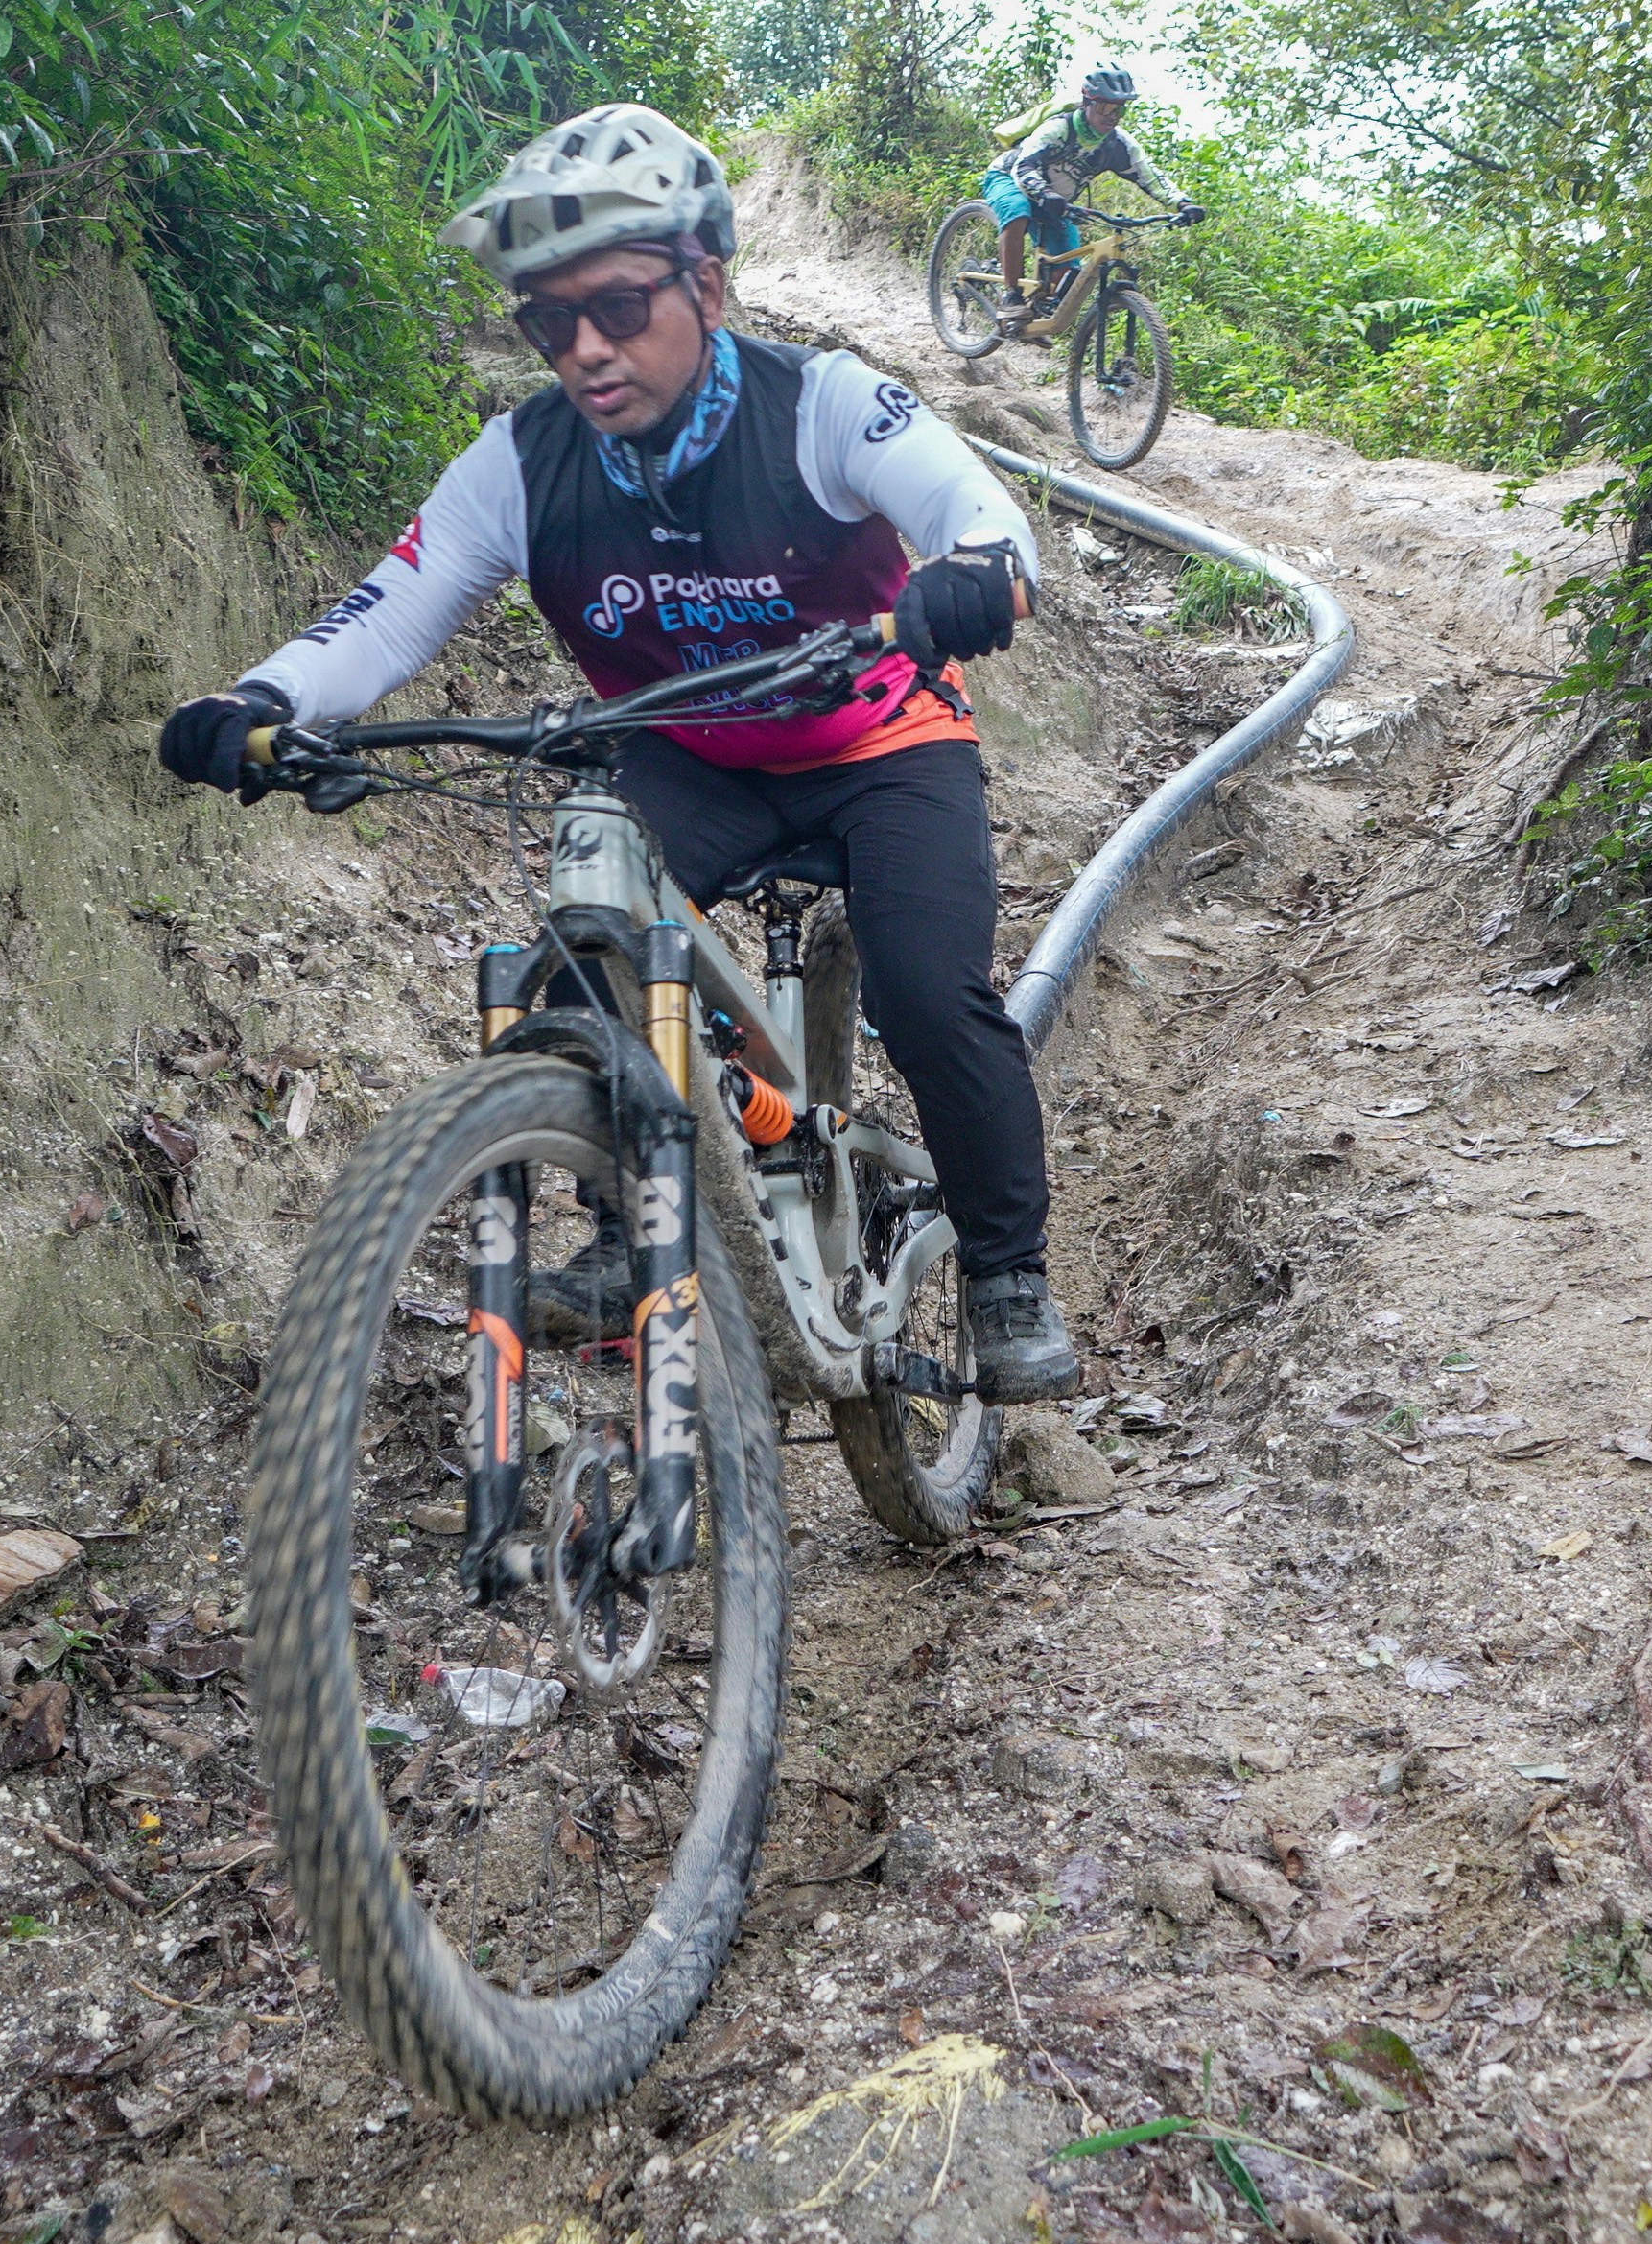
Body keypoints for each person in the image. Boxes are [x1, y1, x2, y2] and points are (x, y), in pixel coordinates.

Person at [154, 106, 1081, 1401]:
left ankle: (1005, 1270)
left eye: (621, 305)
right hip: (689, 759)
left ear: (706, 281)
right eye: (549, 321)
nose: (584, 349)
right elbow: (385, 613)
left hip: (879, 742)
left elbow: (968, 504)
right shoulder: (522, 467)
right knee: (581, 963)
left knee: (928, 995)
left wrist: (981, 572)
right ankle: (625, 1235)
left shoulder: (816, 405)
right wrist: (262, 700)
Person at [985, 65, 1200, 334]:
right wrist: (1045, 194)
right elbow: (1024, 167)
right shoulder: (1057, 128)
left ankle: (1032, 317)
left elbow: (1150, 177)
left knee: (1067, 273)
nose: (1111, 117)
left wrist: (1182, 204)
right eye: (1104, 109)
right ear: (1087, 104)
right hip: (1009, 178)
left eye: (1118, 110)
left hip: (1058, 203)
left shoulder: (1118, 144)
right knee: (1017, 212)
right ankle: (1011, 296)